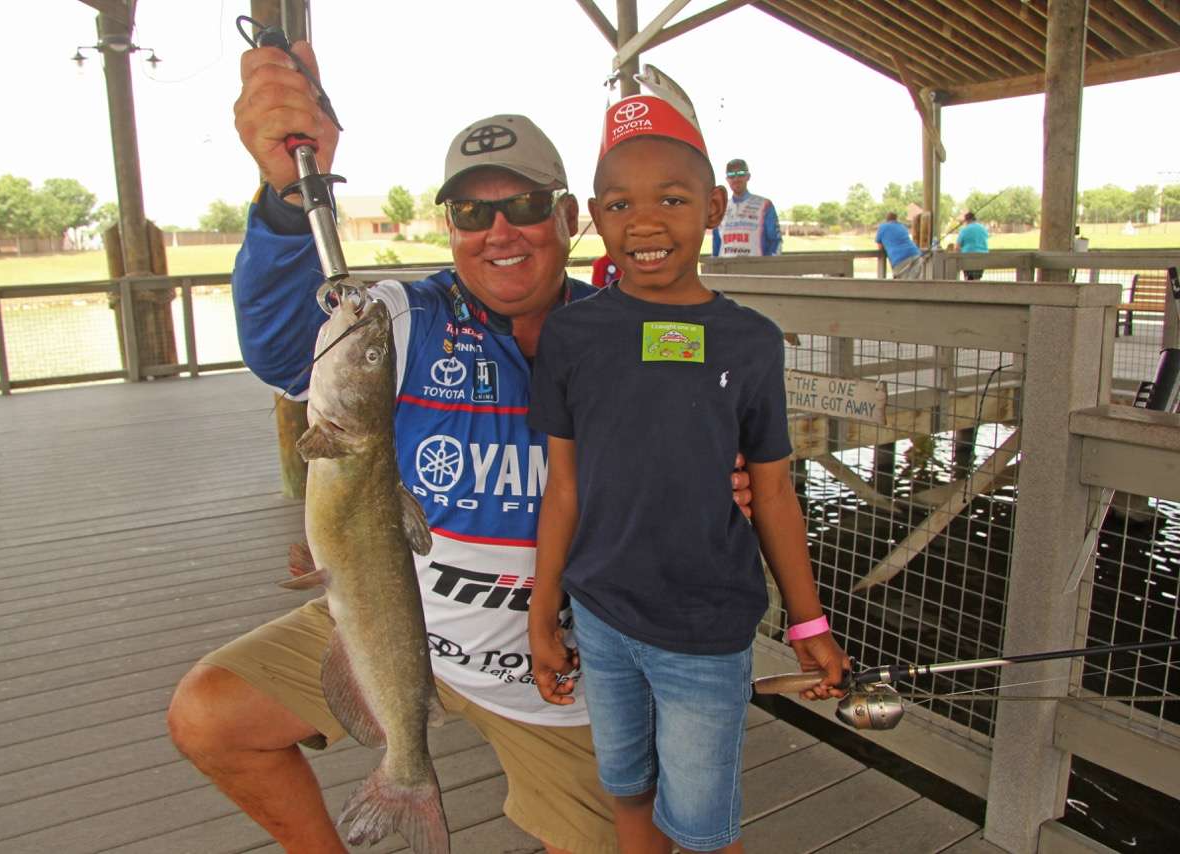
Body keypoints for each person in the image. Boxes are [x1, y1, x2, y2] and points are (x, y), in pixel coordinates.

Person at [166, 38, 758, 854]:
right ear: (449, 226)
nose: (498, 232)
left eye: (523, 207)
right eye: (472, 213)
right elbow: (278, 344)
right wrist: (280, 198)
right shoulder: (401, 319)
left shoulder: (634, 338)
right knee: (209, 713)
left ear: (567, 217)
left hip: (564, 683)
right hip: (403, 630)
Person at [527, 90, 849, 854]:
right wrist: (545, 611)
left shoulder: (750, 340)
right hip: (600, 617)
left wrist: (808, 624)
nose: (644, 222)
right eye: (619, 203)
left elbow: (772, 490)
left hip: (706, 633)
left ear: (712, 208)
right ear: (593, 219)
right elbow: (563, 485)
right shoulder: (570, 336)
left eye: (671, 198)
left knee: (704, 828)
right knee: (627, 788)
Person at [712, 158, 781, 257]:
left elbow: (775, 242)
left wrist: (769, 267)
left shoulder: (765, 205)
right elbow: (716, 245)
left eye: (740, 174)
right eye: (731, 175)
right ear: (727, 179)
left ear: (748, 176)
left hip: (755, 269)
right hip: (726, 269)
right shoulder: (720, 207)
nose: (736, 179)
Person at [875, 212, 924, 279]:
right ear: (896, 219)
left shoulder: (882, 227)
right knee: (916, 284)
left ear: (886, 220)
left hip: (900, 260)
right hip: (916, 255)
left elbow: (880, 247)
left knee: (902, 285)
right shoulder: (902, 226)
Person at [957, 210, 989, 280]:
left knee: (968, 278)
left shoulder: (964, 230)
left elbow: (958, 246)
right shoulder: (983, 228)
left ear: (966, 220)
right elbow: (986, 238)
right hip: (982, 257)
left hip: (968, 257)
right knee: (977, 278)